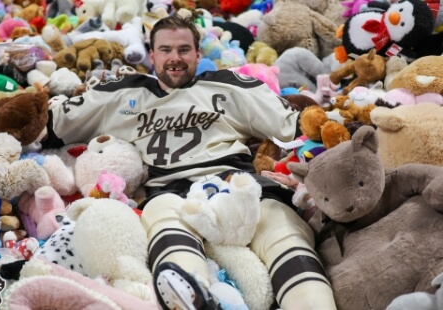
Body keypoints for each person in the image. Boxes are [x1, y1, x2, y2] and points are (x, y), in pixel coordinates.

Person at [42, 15, 337, 310]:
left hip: (237, 181)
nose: (175, 58)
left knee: (281, 226)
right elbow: (50, 125)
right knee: (161, 216)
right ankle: (194, 297)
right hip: (170, 189)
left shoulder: (230, 86)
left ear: (198, 54)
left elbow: (300, 126)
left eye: (183, 50)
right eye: (166, 50)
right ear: (152, 55)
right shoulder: (121, 95)